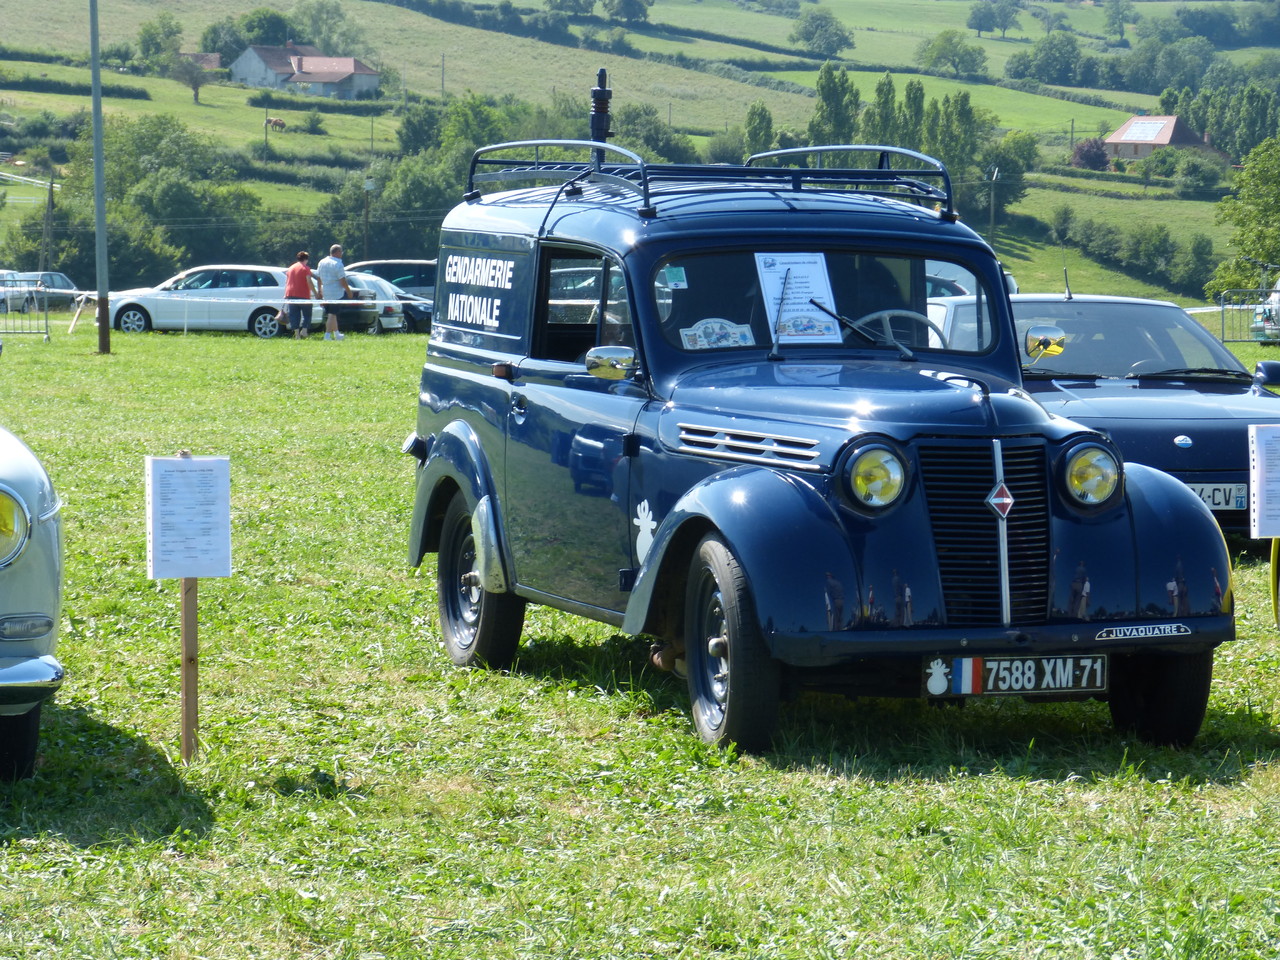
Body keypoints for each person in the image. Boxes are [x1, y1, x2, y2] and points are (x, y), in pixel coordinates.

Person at [315, 244, 354, 341]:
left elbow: (318, 278)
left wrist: (319, 290)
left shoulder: (322, 262)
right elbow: (342, 280)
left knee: (332, 314)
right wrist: (349, 291)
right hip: (336, 293)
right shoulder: (338, 264)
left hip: (326, 292)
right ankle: (327, 335)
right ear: (337, 252)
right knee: (332, 314)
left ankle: (337, 334)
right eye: (341, 252)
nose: (342, 254)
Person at [283, 251, 319, 339]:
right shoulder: (305, 268)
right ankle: (304, 330)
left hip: (290, 294)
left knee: (294, 314)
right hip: (302, 294)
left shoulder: (290, 268)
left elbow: (287, 281)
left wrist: (285, 294)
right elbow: (309, 281)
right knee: (307, 313)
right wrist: (316, 293)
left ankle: (296, 334)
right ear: (306, 259)